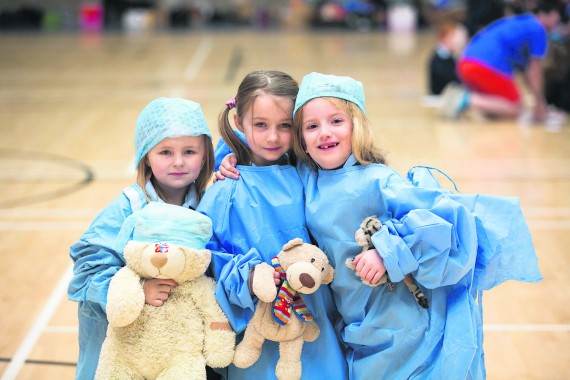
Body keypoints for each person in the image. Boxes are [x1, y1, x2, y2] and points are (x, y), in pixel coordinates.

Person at [287, 72, 542, 379]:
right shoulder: (307, 179)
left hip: (404, 325)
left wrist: (386, 252)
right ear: (300, 137)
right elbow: (262, 142)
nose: (324, 133)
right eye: (312, 126)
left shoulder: (378, 179)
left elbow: (439, 225)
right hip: (357, 323)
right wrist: (228, 160)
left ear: (357, 125)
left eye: (336, 121)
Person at [196, 70, 348, 380]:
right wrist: (248, 277)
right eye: (260, 125)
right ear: (239, 123)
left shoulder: (312, 175)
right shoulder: (225, 189)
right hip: (254, 335)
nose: (273, 137)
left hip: (315, 326)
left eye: (284, 126)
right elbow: (206, 261)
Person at [67, 97, 216, 380]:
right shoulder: (128, 207)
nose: (179, 162)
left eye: (189, 151)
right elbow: (87, 271)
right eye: (165, 152)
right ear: (145, 155)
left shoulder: (209, 207)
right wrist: (137, 291)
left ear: (206, 154)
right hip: (128, 354)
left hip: (179, 358)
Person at [440, 2, 562, 121]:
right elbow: (535, 72)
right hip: (484, 66)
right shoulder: (538, 30)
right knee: (516, 108)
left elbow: (527, 74)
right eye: (557, 19)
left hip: (466, 63)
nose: (557, 25)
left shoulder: (522, 22)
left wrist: (540, 104)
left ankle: (469, 100)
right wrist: (540, 103)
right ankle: (465, 99)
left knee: (500, 109)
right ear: (550, 14)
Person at [427, 20, 466, 95]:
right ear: (445, 38)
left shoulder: (450, 56)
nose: (456, 42)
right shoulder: (438, 58)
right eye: (452, 37)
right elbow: (451, 78)